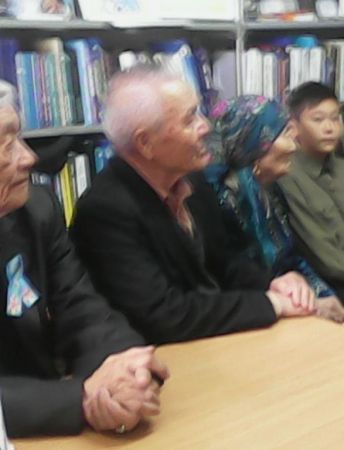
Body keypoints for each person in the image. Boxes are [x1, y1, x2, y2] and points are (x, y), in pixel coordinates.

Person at [70, 68, 314, 346]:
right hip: (165, 352)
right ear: (145, 143)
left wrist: (271, 284)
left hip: (216, 338)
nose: (206, 127)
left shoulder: (192, 181)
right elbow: (163, 316)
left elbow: (224, 262)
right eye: (190, 119)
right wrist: (270, 304)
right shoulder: (105, 212)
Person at [0, 80, 169, 438]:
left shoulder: (36, 209)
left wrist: (126, 373)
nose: (29, 157)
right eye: (6, 144)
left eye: (19, 137)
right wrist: (79, 400)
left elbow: (82, 308)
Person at [205, 95, 344, 326]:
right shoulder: (226, 200)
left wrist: (324, 294)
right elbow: (237, 277)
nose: (294, 146)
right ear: (257, 146)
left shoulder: (270, 189)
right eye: (285, 134)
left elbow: (291, 257)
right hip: (260, 310)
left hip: (292, 295)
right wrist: (311, 303)